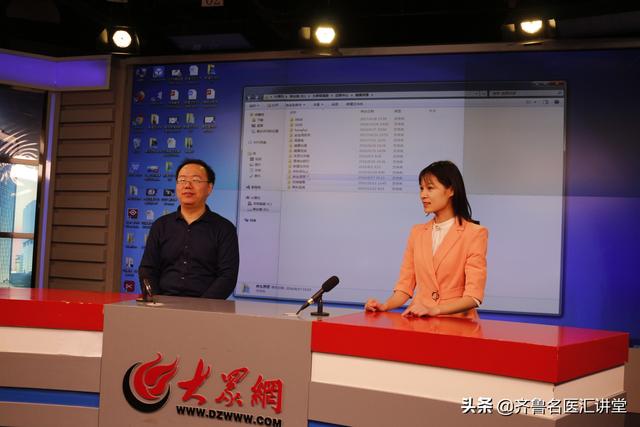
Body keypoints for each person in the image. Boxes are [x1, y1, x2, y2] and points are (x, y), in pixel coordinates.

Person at [365, 160, 487, 317]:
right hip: (419, 321)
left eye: (430, 188)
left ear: (451, 190)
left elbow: (474, 297)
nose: (423, 195)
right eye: (421, 188)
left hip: (457, 323)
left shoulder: (474, 233)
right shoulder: (417, 232)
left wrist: (435, 310)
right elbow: (404, 287)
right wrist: (385, 305)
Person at [138, 159, 239, 299]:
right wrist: (156, 300)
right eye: (182, 180)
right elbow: (147, 269)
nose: (187, 185)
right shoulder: (160, 225)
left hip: (206, 307)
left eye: (195, 180)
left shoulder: (224, 229)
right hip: (163, 304)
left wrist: (201, 307)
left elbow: (227, 276)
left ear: (209, 188)